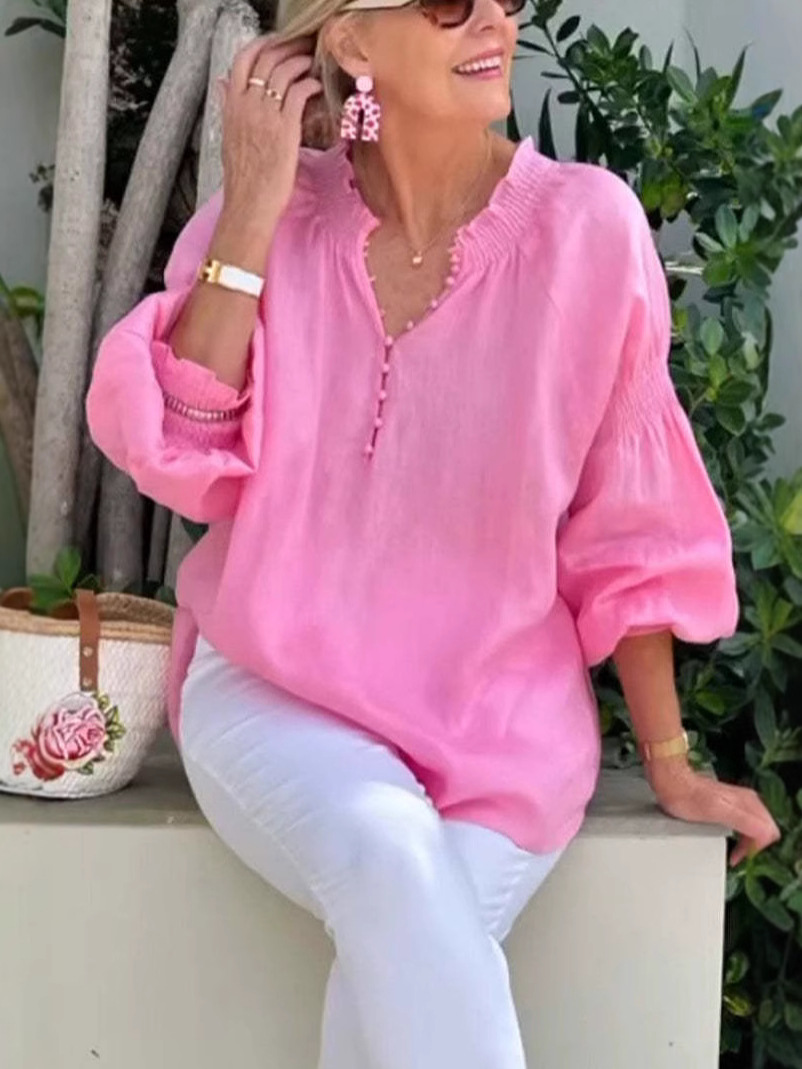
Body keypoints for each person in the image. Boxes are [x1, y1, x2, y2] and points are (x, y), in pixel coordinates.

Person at [85, 0, 782, 1065]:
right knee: (386, 857)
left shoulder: (588, 231)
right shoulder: (271, 219)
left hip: (500, 740)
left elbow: (629, 528)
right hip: (278, 694)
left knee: (391, 982)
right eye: (451, 4)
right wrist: (254, 206)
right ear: (351, 39)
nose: (493, 22)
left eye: (506, 0)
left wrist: (670, 759)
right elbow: (183, 452)